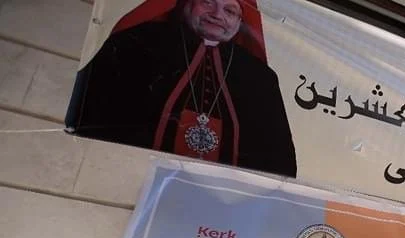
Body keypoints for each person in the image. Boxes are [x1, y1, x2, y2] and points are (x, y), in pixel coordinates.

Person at [66, 0, 297, 178]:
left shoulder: (259, 76)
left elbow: (277, 158)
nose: (217, 15)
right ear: (185, 4)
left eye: (230, 11)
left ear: (240, 22)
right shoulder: (137, 42)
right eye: (207, 2)